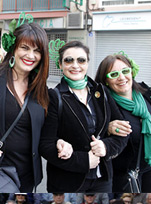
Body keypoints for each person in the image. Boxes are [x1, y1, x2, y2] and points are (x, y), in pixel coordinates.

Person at [39, 40, 127, 194]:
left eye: (81, 60)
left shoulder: (101, 92)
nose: (75, 65)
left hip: (103, 179)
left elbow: (123, 133)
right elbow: (45, 145)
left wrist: (106, 146)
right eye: (68, 60)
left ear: (87, 63)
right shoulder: (54, 97)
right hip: (68, 182)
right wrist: (83, 161)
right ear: (60, 64)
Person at [0, 20, 49, 191]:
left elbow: (49, 133)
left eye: (37, 50)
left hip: (27, 177)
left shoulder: (42, 90)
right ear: (14, 47)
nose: (31, 55)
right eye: (25, 48)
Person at [97, 53, 151, 192]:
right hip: (125, 174)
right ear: (106, 80)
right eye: (114, 74)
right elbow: (92, 131)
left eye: (125, 71)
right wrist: (106, 128)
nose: (121, 77)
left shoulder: (145, 92)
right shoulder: (103, 104)